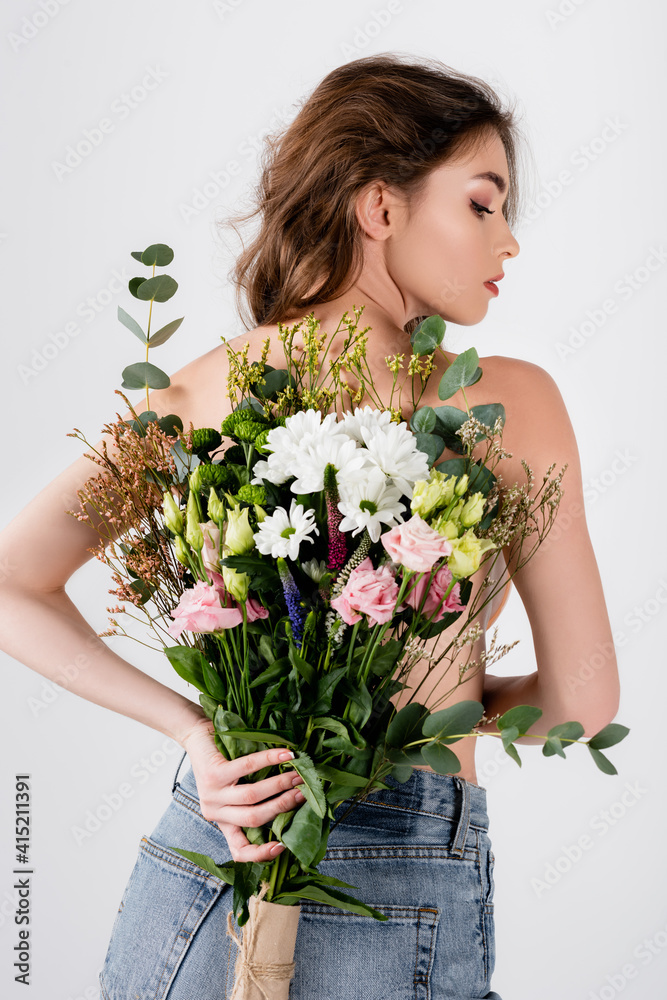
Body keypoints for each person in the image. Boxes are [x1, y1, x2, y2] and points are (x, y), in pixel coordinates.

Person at [0, 53, 620, 999]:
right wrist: (436, 710)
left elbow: (12, 582)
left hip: (208, 851)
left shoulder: (203, 386)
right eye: (483, 204)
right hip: (398, 875)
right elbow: (583, 706)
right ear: (381, 207)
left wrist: (198, 733)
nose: (509, 243)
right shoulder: (504, 405)